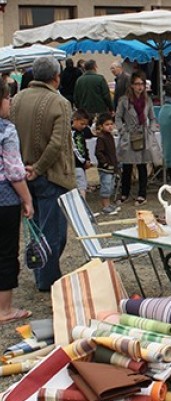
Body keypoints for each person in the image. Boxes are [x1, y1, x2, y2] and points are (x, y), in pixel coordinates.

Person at [11, 56, 76, 292]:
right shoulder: (59, 103)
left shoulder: (16, 99)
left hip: (22, 173)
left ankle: (41, 274)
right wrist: (38, 168)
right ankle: (48, 279)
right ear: (56, 77)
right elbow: (57, 144)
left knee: (36, 228)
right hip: (50, 174)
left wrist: (22, 167)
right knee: (54, 231)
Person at [0, 77, 34, 324]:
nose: (10, 102)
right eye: (7, 97)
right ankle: (4, 309)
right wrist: (27, 198)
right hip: (4, 198)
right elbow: (12, 170)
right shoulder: (6, 129)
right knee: (6, 251)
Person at [115, 72, 157, 206]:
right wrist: (122, 131)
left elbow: (152, 117)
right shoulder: (124, 100)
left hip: (143, 134)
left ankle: (142, 194)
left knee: (142, 165)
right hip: (129, 135)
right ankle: (125, 193)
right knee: (127, 165)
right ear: (132, 85)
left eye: (142, 84)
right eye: (137, 84)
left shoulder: (147, 100)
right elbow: (117, 117)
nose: (140, 87)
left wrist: (151, 130)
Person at [95, 112, 120, 215]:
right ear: (101, 126)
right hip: (105, 168)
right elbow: (98, 152)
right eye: (107, 124)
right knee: (106, 186)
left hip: (112, 166)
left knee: (110, 186)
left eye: (111, 124)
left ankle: (108, 204)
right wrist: (104, 163)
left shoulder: (110, 136)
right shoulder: (101, 138)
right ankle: (105, 205)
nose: (110, 126)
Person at [72, 109, 92, 198]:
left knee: (82, 185)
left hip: (81, 164)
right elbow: (75, 149)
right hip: (76, 164)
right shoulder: (72, 133)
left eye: (85, 125)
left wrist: (87, 159)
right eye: (82, 124)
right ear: (75, 119)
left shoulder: (82, 133)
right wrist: (83, 162)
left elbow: (84, 148)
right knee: (80, 187)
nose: (83, 126)